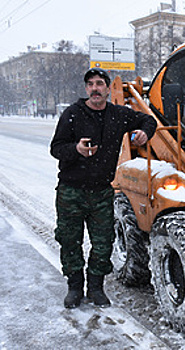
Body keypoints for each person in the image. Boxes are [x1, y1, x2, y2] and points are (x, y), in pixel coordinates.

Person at [50, 68, 157, 309]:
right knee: (70, 241)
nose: (95, 88)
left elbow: (148, 119)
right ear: (86, 89)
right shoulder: (72, 114)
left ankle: (96, 288)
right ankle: (75, 287)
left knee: (103, 243)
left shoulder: (119, 115)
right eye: (90, 84)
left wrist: (144, 132)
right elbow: (56, 148)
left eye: (99, 83)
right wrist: (75, 149)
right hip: (71, 191)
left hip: (101, 191)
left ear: (108, 88)